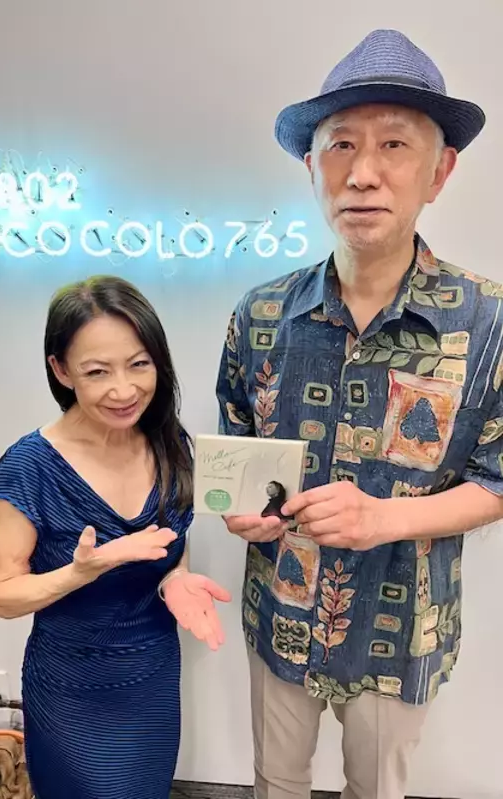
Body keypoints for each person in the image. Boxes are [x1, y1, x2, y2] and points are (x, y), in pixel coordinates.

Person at [216, 28, 502, 799]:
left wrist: (386, 519)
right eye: (340, 144)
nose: (363, 172)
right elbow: (237, 446)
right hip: (280, 605)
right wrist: (242, 510)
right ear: (312, 167)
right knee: (274, 781)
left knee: (376, 790)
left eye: (394, 145)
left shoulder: (488, 321)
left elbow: (500, 475)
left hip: (401, 626)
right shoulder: (261, 313)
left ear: (440, 170)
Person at [0, 275, 231, 799]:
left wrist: (175, 580)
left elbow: (170, 543)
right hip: (70, 688)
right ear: (61, 370)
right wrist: (82, 571)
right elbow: (3, 595)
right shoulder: (30, 465)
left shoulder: (168, 441)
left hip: (152, 676)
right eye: (97, 371)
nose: (124, 390)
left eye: (139, 364)